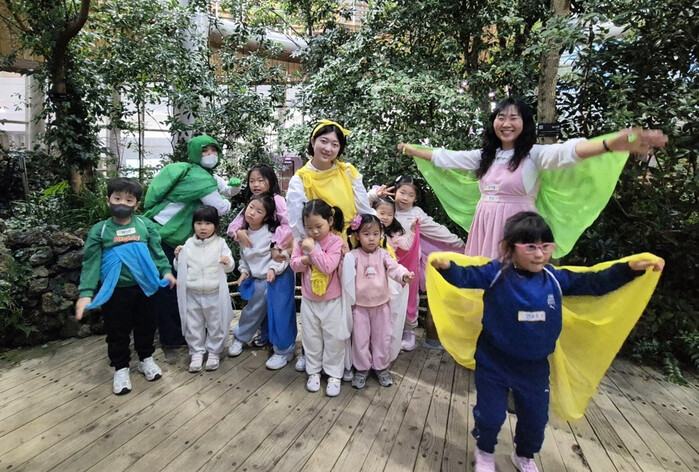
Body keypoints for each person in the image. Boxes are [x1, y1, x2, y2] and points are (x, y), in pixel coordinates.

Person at [429, 211, 664, 472]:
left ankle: (524, 455)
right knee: (490, 415)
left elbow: (593, 282)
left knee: (535, 419)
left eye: (546, 246)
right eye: (530, 247)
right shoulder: (496, 273)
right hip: (494, 361)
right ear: (508, 248)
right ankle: (485, 451)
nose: (540, 254)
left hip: (535, 367)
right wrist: (448, 269)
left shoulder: (554, 278)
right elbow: (467, 276)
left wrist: (628, 270)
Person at [398, 97, 668, 260]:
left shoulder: (536, 155)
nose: (506, 123)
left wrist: (610, 144)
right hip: (485, 224)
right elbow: (445, 158)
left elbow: (570, 152)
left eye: (514, 118)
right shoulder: (485, 156)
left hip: (519, 227)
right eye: (501, 117)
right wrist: (413, 151)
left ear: (525, 123)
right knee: (485, 278)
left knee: (516, 278)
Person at [286, 119, 374, 374]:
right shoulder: (301, 179)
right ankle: (311, 354)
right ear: (312, 142)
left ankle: (345, 360)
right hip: (317, 247)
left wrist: (370, 238)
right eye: (323, 141)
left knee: (348, 303)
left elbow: (363, 208)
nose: (328, 148)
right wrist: (313, 251)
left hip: (348, 244)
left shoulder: (348, 172)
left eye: (335, 144)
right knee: (317, 303)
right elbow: (297, 222)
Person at [75, 177, 176, 395]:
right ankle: (121, 368)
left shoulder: (145, 225)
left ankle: (146, 359)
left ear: (136, 204)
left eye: (129, 200)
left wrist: (166, 271)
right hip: (116, 290)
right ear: (108, 200)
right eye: (117, 198)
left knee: (147, 325)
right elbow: (91, 262)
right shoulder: (100, 230)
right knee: (117, 329)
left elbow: (157, 252)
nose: (122, 203)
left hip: (145, 286)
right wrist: (86, 293)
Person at [143, 134, 240, 349]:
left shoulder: (202, 173)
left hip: (166, 231)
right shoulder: (199, 177)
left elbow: (224, 188)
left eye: (213, 150)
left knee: (175, 285)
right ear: (195, 153)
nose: (210, 155)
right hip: (168, 235)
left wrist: (233, 189)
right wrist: (229, 202)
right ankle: (172, 337)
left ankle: (181, 332)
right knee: (170, 287)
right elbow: (219, 207)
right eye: (204, 151)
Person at [388, 175, 465, 350]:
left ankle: (409, 332)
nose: (405, 198)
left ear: (416, 198)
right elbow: (367, 206)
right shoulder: (387, 207)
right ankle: (389, 333)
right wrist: (375, 194)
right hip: (387, 261)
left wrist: (458, 242)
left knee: (410, 296)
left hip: (410, 263)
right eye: (402, 192)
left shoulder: (417, 214)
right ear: (394, 191)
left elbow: (437, 230)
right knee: (388, 296)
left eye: (411, 195)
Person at [227, 163, 294, 348]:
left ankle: (279, 344)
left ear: (271, 181)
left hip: (276, 259)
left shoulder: (277, 200)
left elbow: (287, 224)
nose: (255, 184)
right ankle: (263, 336)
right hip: (257, 264)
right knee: (260, 306)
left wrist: (276, 244)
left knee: (276, 307)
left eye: (260, 180)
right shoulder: (252, 202)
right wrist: (238, 232)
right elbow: (234, 226)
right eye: (252, 181)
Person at [344, 214, 414, 389]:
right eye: (366, 234)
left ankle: (381, 367)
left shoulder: (383, 254)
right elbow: (345, 276)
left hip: (381, 306)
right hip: (359, 307)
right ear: (357, 235)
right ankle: (362, 368)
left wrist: (404, 275)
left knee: (382, 338)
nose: (371, 238)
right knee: (360, 340)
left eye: (376, 234)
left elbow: (394, 268)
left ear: (381, 235)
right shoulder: (353, 256)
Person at [289, 199, 347, 397]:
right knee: (311, 337)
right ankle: (313, 371)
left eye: (318, 226)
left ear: (330, 221)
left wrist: (312, 251)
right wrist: (306, 257)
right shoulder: (302, 241)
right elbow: (294, 264)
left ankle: (334, 374)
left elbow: (328, 266)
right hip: (309, 299)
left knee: (334, 338)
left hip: (332, 300)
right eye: (309, 227)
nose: (314, 232)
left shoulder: (336, 242)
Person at [173, 205, 235, 373]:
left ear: (216, 225)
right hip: (192, 293)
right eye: (199, 223)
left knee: (216, 323)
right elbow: (179, 268)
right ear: (193, 224)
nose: (203, 227)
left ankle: (214, 351)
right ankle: (196, 352)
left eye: (208, 223)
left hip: (214, 292)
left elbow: (230, 265)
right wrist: (178, 257)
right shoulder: (188, 244)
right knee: (193, 324)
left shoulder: (220, 243)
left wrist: (227, 261)